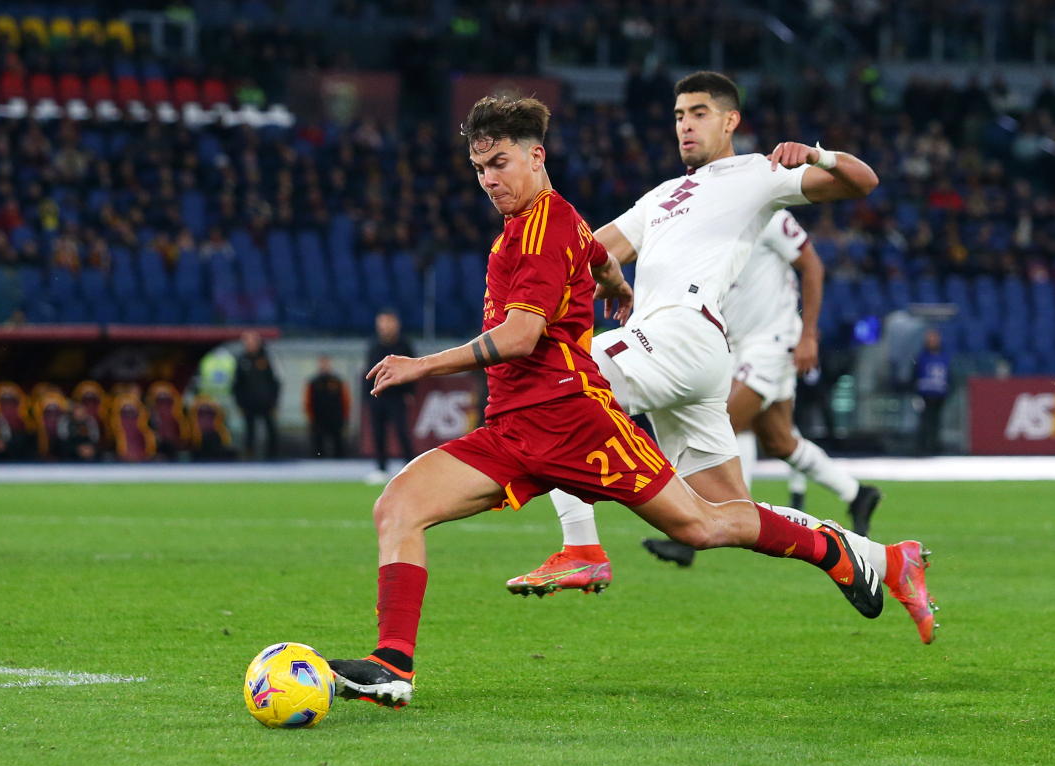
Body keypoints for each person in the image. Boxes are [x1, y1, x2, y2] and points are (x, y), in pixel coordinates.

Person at [326, 95, 889, 709]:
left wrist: (424, 364)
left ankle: (830, 548)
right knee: (399, 505)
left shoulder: (544, 226)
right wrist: (617, 284)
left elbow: (521, 336)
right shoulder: (551, 223)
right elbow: (597, 257)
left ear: (536, 157)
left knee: (703, 524)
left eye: (500, 163)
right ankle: (392, 664)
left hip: (577, 423)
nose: (490, 179)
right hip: (512, 431)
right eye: (480, 168)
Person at [505, 72, 935, 644]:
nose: (686, 123)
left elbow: (863, 181)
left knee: (551, 379)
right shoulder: (660, 197)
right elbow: (587, 250)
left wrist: (818, 153)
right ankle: (884, 560)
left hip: (683, 334)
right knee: (719, 516)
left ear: (730, 121)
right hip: (694, 358)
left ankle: (581, 545)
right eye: (680, 114)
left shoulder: (756, 173)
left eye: (700, 112)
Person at [644, 208, 881, 571]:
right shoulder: (709, 218)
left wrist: (809, 335)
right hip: (740, 343)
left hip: (771, 342)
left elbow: (813, 266)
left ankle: (696, 532)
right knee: (779, 441)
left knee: (717, 423)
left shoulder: (768, 214)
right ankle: (857, 494)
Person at [362, 309, 416, 483]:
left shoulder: (404, 345)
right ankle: (381, 468)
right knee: (378, 434)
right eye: (382, 322)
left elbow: (413, 369)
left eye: (388, 322)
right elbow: (368, 372)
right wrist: (366, 396)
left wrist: (410, 392)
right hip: (378, 396)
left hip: (397, 396)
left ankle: (411, 466)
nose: (385, 326)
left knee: (402, 433)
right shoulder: (374, 345)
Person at [232, 330, 280, 460]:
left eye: (252, 340)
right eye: (246, 341)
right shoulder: (242, 360)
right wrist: (240, 403)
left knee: (271, 430)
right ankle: (249, 456)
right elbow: (236, 385)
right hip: (249, 404)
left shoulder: (267, 359)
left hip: (266, 403)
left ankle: (273, 457)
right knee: (249, 432)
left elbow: (275, 382)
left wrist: (274, 402)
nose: (249, 344)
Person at [305, 355, 350, 458]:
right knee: (318, 448)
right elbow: (308, 401)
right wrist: (311, 417)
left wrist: (345, 417)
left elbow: (345, 400)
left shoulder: (337, 381)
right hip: (318, 419)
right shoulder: (314, 382)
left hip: (335, 418)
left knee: (338, 446)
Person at [915, 329, 949, 456]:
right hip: (925, 393)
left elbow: (949, 375)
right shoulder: (921, 357)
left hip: (939, 393)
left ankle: (934, 445)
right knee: (925, 420)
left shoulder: (944, 356)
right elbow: (916, 373)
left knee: (936, 420)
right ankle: (922, 446)